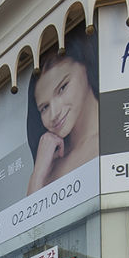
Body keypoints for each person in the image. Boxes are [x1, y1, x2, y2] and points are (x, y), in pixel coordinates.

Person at [25, 29, 99, 196]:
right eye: (44, 108)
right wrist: (37, 174)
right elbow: (31, 221)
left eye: (62, 88)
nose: (54, 114)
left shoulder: (114, 139)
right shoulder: (49, 166)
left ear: (86, 67)